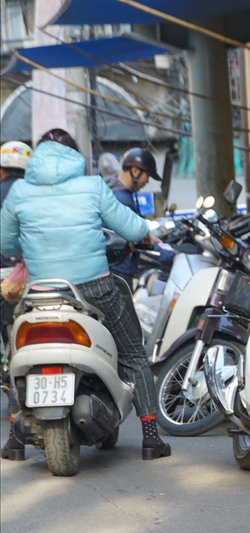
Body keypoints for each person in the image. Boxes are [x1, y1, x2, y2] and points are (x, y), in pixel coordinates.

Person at [0, 128, 171, 461]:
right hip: (95, 288)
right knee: (133, 353)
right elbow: (135, 229)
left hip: (40, 291)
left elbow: (5, 243)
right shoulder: (93, 186)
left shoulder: (20, 191)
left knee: (14, 358)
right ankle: (151, 437)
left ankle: (14, 441)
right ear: (74, 155)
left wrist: (34, 244)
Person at [1, 140, 33, 459]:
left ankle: (16, 436)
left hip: (8, 279)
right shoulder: (29, 195)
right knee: (17, 352)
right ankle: (16, 437)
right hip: (22, 280)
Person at [102, 147, 171, 286]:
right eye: (148, 175)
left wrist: (149, 238)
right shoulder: (121, 198)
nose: (147, 181)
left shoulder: (118, 193)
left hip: (117, 267)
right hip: (119, 269)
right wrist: (169, 256)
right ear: (135, 171)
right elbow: (134, 236)